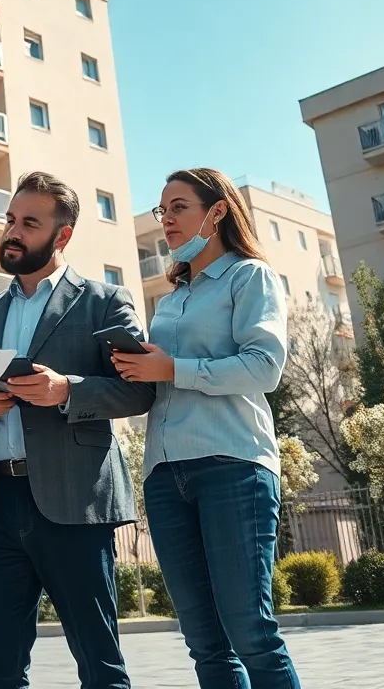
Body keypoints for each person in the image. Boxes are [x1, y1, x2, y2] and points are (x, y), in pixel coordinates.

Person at [0, 171, 156, 689]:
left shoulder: (105, 301)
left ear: (62, 236)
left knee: (99, 664)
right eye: (11, 220)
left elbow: (140, 390)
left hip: (76, 502)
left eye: (30, 223)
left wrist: (68, 390)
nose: (13, 232)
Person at [110, 168, 301, 689]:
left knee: (251, 633)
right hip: (166, 474)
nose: (166, 220)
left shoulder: (249, 277)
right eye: (162, 210)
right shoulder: (170, 301)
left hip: (233, 467)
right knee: (204, 643)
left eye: (178, 207)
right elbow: (158, 381)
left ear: (217, 212)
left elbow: (265, 367)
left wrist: (173, 368)